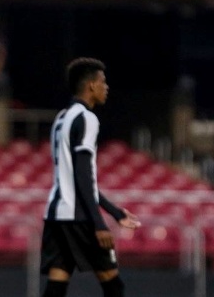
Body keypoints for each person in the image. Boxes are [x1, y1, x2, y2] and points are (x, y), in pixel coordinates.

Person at [41, 57, 141, 297]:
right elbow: (83, 176)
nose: (106, 88)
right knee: (113, 286)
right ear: (91, 86)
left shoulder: (61, 118)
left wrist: (115, 212)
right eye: (103, 82)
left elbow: (76, 177)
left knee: (56, 286)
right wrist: (99, 223)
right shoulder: (88, 119)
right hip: (79, 217)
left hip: (56, 215)